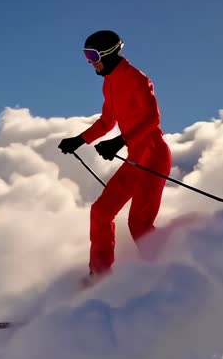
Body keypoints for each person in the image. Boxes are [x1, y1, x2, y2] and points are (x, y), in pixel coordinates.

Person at [58, 30, 173, 287]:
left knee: (139, 224)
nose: (90, 62)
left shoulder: (137, 79)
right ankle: (99, 276)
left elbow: (152, 119)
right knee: (101, 212)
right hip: (135, 158)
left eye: (93, 55)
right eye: (86, 56)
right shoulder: (109, 82)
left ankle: (165, 279)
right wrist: (79, 140)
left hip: (153, 157)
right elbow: (107, 122)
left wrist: (120, 142)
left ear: (109, 53)